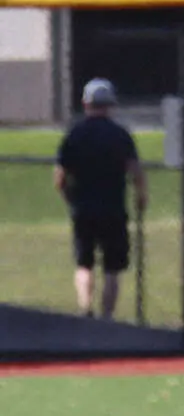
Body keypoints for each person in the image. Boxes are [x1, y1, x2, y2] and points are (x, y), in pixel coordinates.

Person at [54, 78, 147, 319]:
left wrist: (70, 199)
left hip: (83, 209)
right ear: (110, 105)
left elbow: (60, 177)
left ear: (86, 103)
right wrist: (141, 196)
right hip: (114, 208)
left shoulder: (75, 134)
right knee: (112, 268)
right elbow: (135, 171)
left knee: (84, 264)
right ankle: (107, 317)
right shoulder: (120, 135)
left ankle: (86, 309)